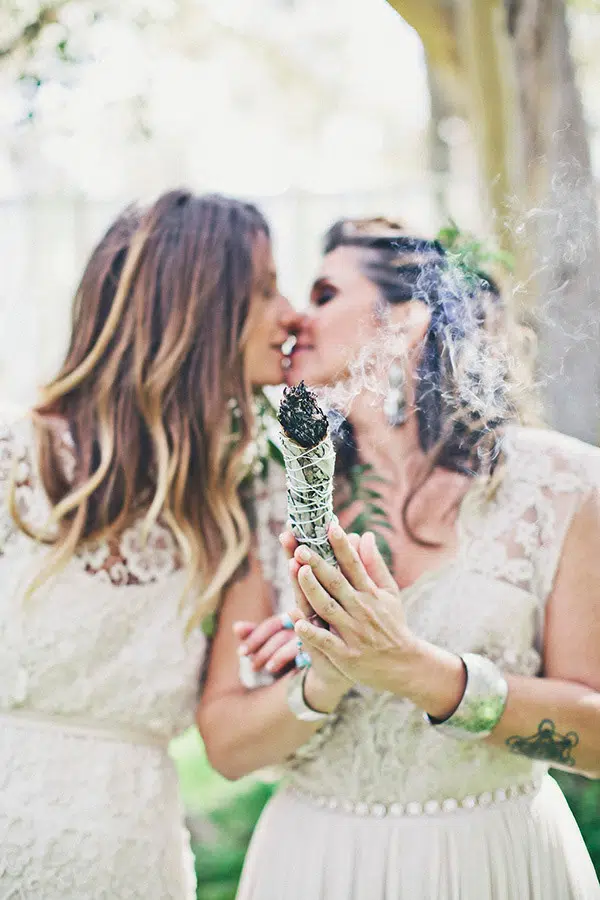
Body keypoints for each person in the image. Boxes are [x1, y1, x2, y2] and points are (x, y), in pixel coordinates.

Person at [199, 217, 600, 899]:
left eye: (325, 294)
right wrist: (323, 678)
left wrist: (416, 670)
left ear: (408, 318)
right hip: (319, 866)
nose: (295, 317)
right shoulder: (268, 494)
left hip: (496, 862)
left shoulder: (562, 485)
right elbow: (225, 748)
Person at [0, 189, 299, 899]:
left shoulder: (238, 503)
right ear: (196, 308)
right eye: (264, 291)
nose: (291, 315)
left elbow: (234, 728)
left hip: (136, 865)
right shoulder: (17, 462)